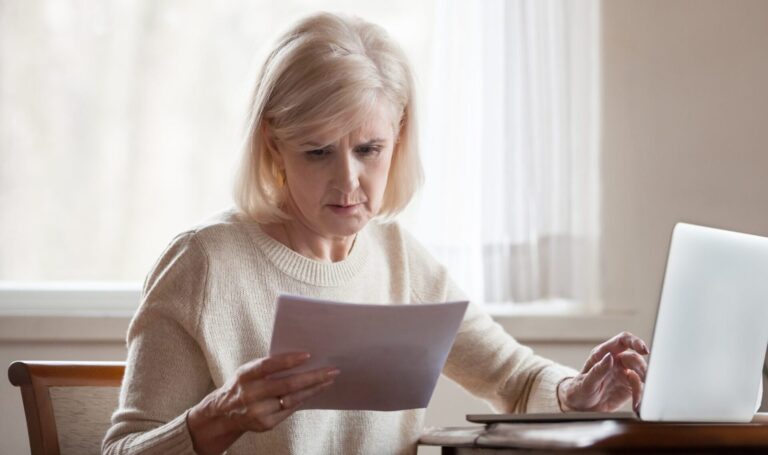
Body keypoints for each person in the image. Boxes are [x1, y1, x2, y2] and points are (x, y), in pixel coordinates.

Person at [102, 12, 648, 455]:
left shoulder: (398, 258)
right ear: (273, 144)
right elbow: (122, 451)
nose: (348, 182)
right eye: (317, 152)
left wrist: (574, 392)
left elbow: (516, 379)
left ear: (399, 136)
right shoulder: (204, 263)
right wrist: (216, 419)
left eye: (369, 150)